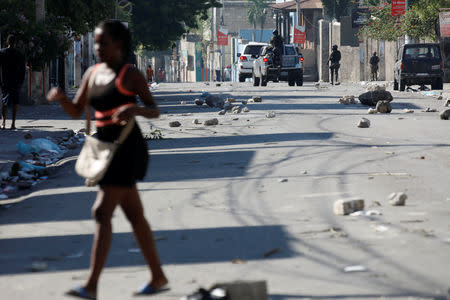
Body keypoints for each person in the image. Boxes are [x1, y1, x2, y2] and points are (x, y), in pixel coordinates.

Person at [47, 20, 168, 300]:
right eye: (97, 42)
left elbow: (154, 110)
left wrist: (134, 108)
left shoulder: (130, 75)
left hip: (126, 147)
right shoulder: (92, 73)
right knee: (135, 215)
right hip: (104, 146)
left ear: (119, 44)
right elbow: (77, 111)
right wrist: (61, 98)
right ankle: (158, 276)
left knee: (102, 211)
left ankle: (91, 285)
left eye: (103, 42)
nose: (98, 48)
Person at [0, 34, 26, 130]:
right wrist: (21, 81)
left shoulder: (2, 52)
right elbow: (23, 70)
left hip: (5, 81)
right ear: (15, 43)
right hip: (16, 81)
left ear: (7, 42)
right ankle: (13, 123)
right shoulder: (19, 54)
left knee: (5, 101)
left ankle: (3, 122)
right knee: (15, 102)